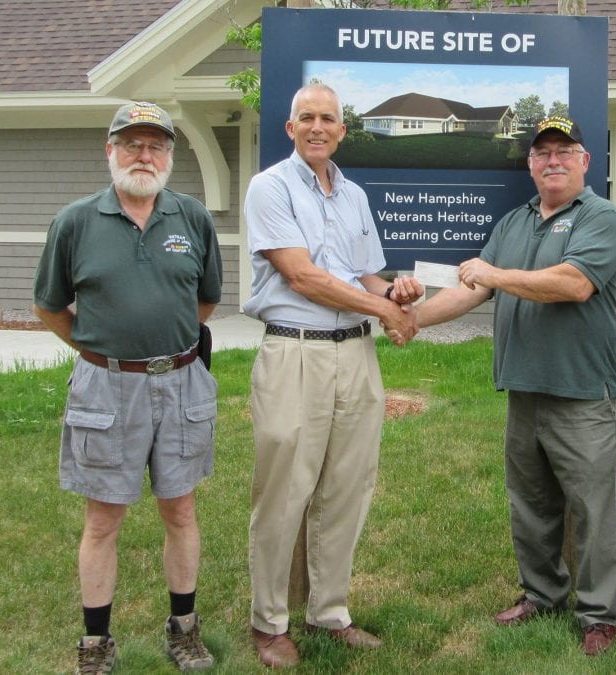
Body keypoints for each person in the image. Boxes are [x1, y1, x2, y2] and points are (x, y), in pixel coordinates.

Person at [412, 116, 616, 657]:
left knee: (591, 510)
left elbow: (573, 284)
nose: (552, 160)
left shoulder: (599, 217)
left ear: (585, 161)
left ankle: (599, 613)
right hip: (524, 392)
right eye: (542, 153)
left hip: (582, 394)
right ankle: (543, 594)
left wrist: (493, 274)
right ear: (530, 163)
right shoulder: (514, 221)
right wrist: (411, 321)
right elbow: (469, 291)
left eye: (564, 151)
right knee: (530, 505)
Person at [33, 101, 222, 673]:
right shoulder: (75, 221)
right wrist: (98, 354)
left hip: (182, 384)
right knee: (102, 520)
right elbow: (50, 305)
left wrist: (168, 347)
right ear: (110, 151)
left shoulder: (191, 218)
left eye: (157, 145)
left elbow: (206, 300)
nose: (145, 155)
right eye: (133, 144)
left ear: (170, 156)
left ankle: (183, 629)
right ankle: (96, 642)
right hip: (106, 390)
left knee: (181, 512)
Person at [241, 82, 422, 669]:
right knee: (284, 491)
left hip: (355, 354)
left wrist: (396, 291)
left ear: (343, 131)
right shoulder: (268, 187)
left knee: (348, 486)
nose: (318, 127)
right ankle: (268, 623)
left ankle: (329, 612)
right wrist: (387, 311)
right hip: (295, 353)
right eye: (306, 118)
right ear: (290, 129)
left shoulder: (354, 195)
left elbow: (365, 274)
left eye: (329, 118)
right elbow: (303, 276)